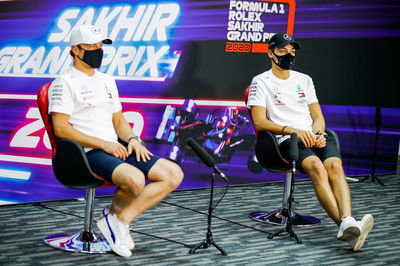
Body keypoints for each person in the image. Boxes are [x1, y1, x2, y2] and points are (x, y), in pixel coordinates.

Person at [48, 24, 184, 257]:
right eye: (90, 46)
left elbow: (118, 120)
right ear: (75, 50)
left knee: (173, 174)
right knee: (135, 179)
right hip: (85, 152)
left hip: (114, 146)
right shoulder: (64, 82)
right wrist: (104, 144)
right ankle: (114, 221)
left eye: (100, 46)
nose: (97, 51)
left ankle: (118, 220)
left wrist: (132, 139)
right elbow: (61, 129)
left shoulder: (106, 80)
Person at [246, 33, 374, 251]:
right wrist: (294, 131)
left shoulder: (304, 79)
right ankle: (346, 225)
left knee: (334, 166)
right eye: (283, 51)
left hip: (313, 136)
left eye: (292, 51)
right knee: (317, 167)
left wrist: (318, 133)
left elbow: (318, 115)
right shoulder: (261, 81)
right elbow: (259, 122)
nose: (288, 55)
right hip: (286, 139)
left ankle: (348, 224)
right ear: (270, 53)